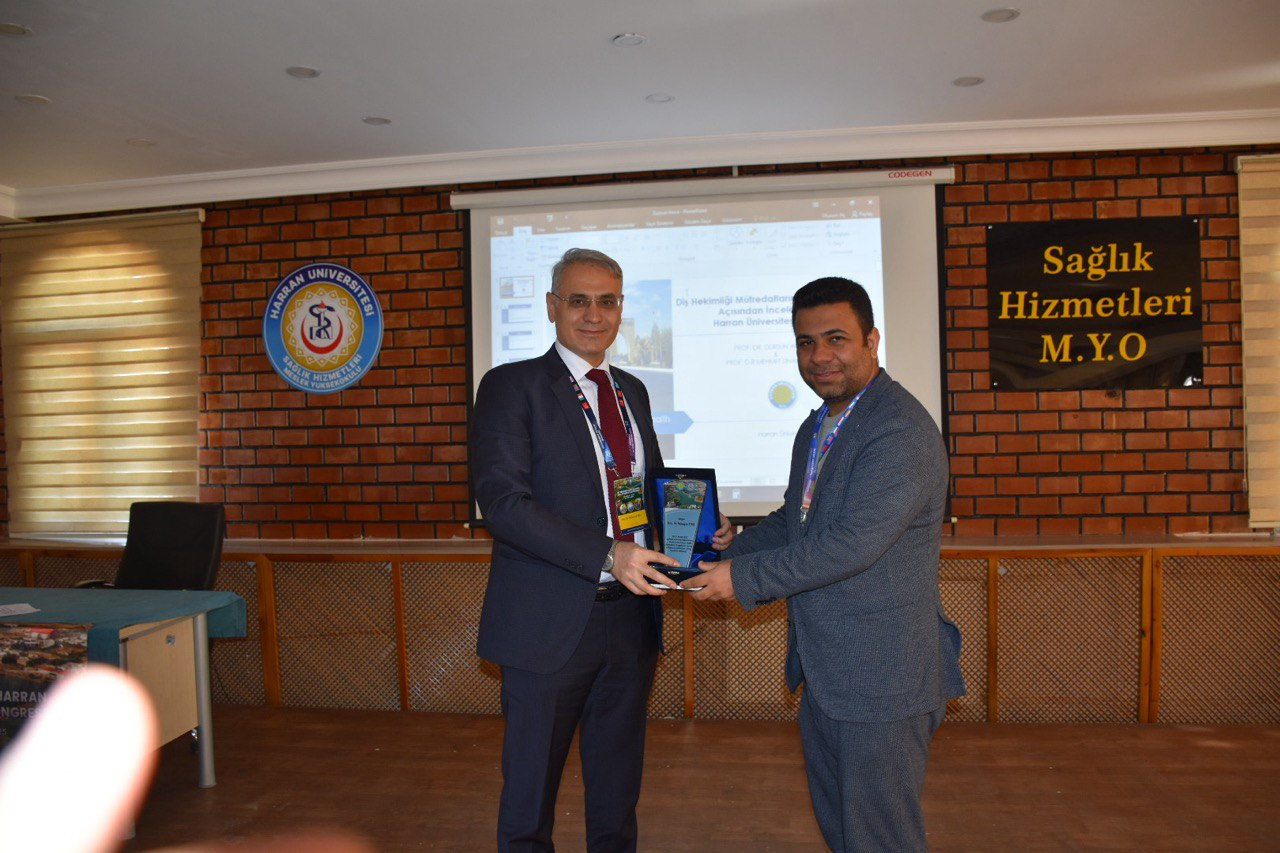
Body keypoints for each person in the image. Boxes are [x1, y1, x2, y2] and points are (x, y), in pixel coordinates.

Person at [684, 276, 964, 852]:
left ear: (872, 340)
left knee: (880, 839)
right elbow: (798, 520)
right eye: (806, 342)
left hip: (882, 680)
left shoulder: (899, 431)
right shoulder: (818, 425)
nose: (819, 356)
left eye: (836, 339)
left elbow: (852, 544)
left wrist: (739, 578)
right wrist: (727, 548)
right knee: (844, 832)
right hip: (830, 673)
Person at [471, 247, 731, 852]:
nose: (594, 314)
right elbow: (504, 504)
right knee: (530, 798)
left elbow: (641, 488)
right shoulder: (512, 386)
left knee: (616, 794)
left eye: (607, 301)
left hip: (631, 619)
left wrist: (700, 525)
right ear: (552, 306)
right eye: (579, 300)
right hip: (548, 621)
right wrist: (609, 554)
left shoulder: (630, 390)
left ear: (621, 310)